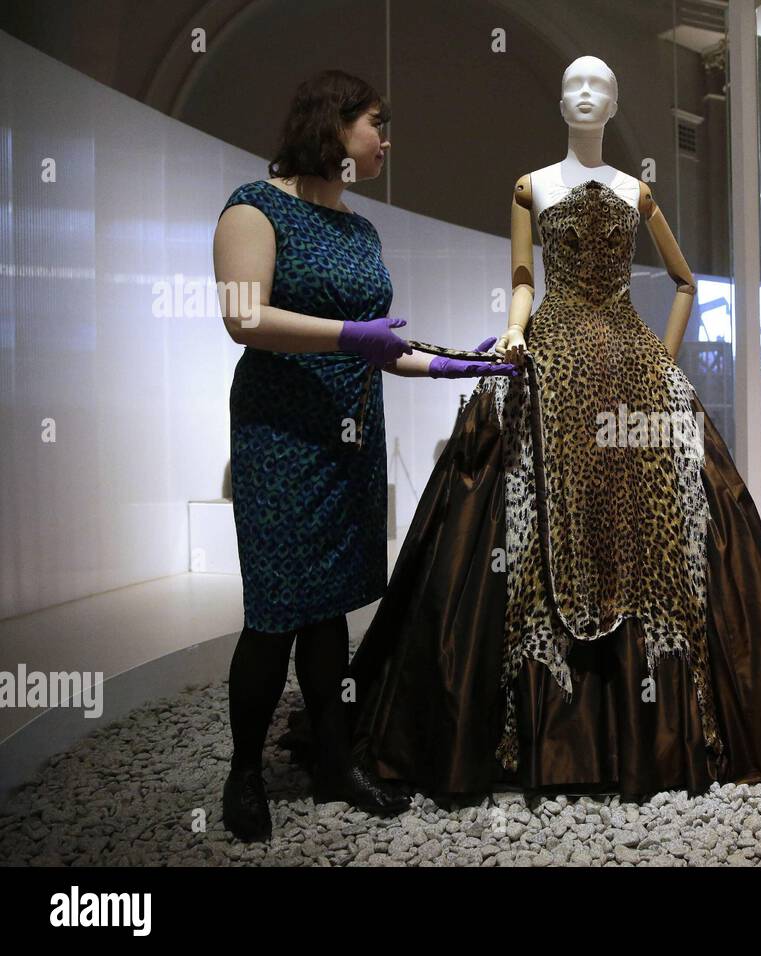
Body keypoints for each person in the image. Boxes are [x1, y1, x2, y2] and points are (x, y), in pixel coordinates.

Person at [326, 57, 761, 802]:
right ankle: (537, 716)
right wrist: (513, 333)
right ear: (560, 102)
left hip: (628, 360)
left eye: (599, 87)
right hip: (547, 356)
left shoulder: (635, 190)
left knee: (655, 525)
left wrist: (663, 359)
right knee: (512, 518)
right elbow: (523, 280)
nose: (585, 95)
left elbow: (687, 283)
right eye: (574, 86)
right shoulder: (530, 185)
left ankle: (655, 717)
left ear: (614, 104)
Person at [212, 70, 516, 842]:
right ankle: (243, 774)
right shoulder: (255, 206)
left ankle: (333, 760)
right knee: (275, 610)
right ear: (333, 123)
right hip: (281, 435)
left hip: (350, 433)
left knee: (331, 609)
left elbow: (385, 347)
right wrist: (351, 337)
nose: (386, 140)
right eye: (376, 123)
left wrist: (448, 363)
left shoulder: (360, 229)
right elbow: (244, 319)